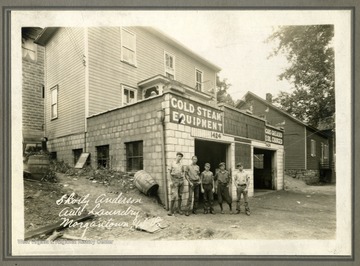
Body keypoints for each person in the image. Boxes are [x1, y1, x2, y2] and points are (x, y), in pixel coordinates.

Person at [168, 152, 185, 216]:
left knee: (180, 195)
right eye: (178, 156)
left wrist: (182, 178)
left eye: (180, 156)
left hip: (181, 180)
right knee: (174, 196)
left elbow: (183, 172)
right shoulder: (172, 163)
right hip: (174, 180)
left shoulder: (181, 164)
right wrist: (170, 181)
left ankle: (179, 209)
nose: (179, 157)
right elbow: (169, 172)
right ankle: (170, 210)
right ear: (176, 156)